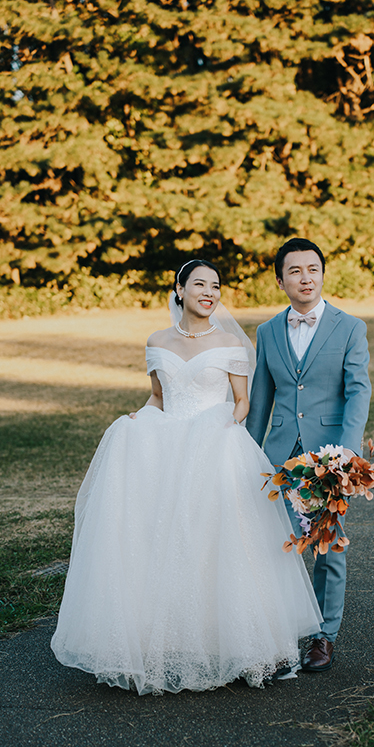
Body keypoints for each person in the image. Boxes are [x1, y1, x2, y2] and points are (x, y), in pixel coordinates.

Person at [51, 260, 323, 696]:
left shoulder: (231, 341)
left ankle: (240, 643)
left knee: (222, 543)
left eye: (216, 285)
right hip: (163, 448)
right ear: (179, 289)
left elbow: (242, 403)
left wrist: (220, 428)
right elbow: (159, 396)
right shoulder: (156, 342)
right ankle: (165, 641)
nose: (209, 292)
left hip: (215, 445)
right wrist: (139, 417)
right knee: (159, 541)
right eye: (199, 284)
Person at [246, 238, 371, 673]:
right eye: (295, 271)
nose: (305, 278)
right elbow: (261, 401)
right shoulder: (266, 332)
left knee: (328, 547)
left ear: (322, 273)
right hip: (279, 458)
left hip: (329, 459)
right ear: (280, 280)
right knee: (273, 546)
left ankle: (324, 636)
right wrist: (247, 453)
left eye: (312, 269)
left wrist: (348, 454)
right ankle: (278, 636)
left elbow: (358, 391)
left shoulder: (350, 327)